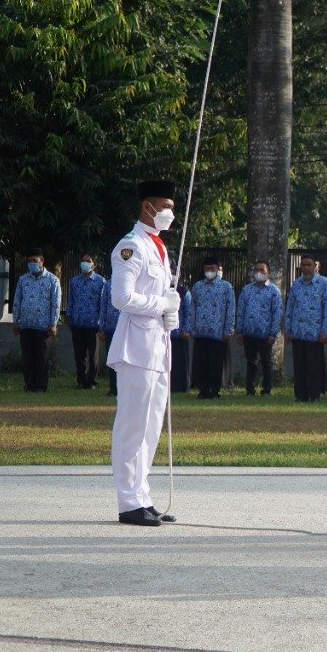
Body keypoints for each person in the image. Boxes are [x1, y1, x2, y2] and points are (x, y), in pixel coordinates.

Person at [107, 180, 182, 527]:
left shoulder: (159, 247)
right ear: (147, 206)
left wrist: (170, 310)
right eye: (164, 205)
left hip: (158, 348)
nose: (169, 213)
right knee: (132, 426)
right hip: (135, 348)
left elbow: (160, 295)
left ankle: (142, 497)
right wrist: (158, 305)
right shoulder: (131, 246)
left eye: (171, 206)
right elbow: (121, 298)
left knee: (151, 426)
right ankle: (127, 502)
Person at [11, 248, 61, 393]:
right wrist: (16, 321)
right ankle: (29, 384)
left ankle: (40, 385)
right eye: (29, 261)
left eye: (35, 260)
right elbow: (17, 300)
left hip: (44, 326)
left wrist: (53, 323)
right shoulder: (23, 280)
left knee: (42, 357)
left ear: (41, 261)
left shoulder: (52, 280)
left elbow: (56, 303)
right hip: (26, 324)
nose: (32, 263)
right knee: (28, 357)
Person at [285, 254, 327, 402]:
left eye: (308, 265)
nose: (305, 268)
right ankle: (300, 395)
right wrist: (288, 330)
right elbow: (290, 308)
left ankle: (314, 395)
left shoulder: (324, 283)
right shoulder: (296, 284)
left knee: (314, 366)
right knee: (299, 366)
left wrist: (325, 331)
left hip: (315, 333)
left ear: (315, 266)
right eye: (303, 265)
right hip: (298, 332)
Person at [188, 256, 235, 399]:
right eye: (207, 269)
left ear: (217, 269)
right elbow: (192, 308)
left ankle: (215, 390)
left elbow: (231, 309)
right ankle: (203, 390)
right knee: (201, 362)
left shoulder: (226, 287)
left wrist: (228, 329)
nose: (209, 271)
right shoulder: (197, 287)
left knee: (215, 362)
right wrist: (191, 327)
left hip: (218, 332)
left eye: (212, 269)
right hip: (200, 331)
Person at [237, 260, 282, 396]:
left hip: (265, 334)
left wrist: (273, 333)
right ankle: (249, 389)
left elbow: (277, 313)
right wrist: (239, 331)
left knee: (266, 362)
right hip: (249, 333)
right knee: (251, 362)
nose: (259, 273)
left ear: (268, 273)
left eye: (262, 270)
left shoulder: (274, 291)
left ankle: (266, 389)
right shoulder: (247, 290)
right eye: (256, 270)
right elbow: (241, 311)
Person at [66, 252, 106, 389]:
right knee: (79, 354)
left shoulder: (101, 282)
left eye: (88, 261)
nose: (85, 263)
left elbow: (103, 304)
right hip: (77, 323)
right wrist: (69, 317)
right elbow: (70, 300)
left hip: (93, 324)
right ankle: (81, 380)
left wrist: (102, 324)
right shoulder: (74, 281)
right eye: (83, 260)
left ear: (94, 265)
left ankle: (91, 381)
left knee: (93, 355)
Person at [97, 278, 122, 396]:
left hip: (128, 329)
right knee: (113, 360)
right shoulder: (109, 284)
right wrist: (102, 327)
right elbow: (103, 305)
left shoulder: (135, 281)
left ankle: (126, 389)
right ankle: (113, 388)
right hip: (111, 328)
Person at [170, 281, 192, 394]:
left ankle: (183, 387)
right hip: (166, 334)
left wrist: (187, 329)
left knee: (181, 363)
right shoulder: (163, 290)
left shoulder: (184, 292)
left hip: (180, 334)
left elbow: (189, 311)